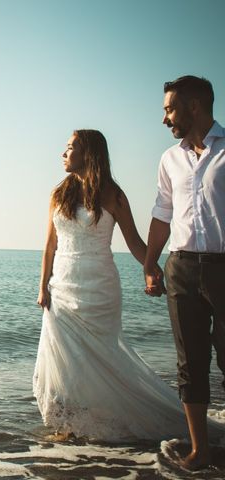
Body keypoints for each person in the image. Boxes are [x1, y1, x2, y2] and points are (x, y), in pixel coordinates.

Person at [32, 129, 222, 443]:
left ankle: (105, 420)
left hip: (99, 286)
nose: (63, 153)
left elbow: (134, 242)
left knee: (102, 358)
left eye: (69, 147)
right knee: (65, 360)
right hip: (62, 287)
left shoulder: (113, 194)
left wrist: (151, 269)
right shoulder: (59, 193)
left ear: (88, 153)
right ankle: (71, 425)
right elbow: (49, 245)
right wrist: (43, 287)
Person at [144, 75, 225, 470]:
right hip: (181, 268)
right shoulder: (169, 159)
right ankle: (200, 451)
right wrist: (150, 262)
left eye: (169, 109)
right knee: (190, 363)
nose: (164, 118)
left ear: (194, 106)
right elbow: (163, 214)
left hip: (224, 270)